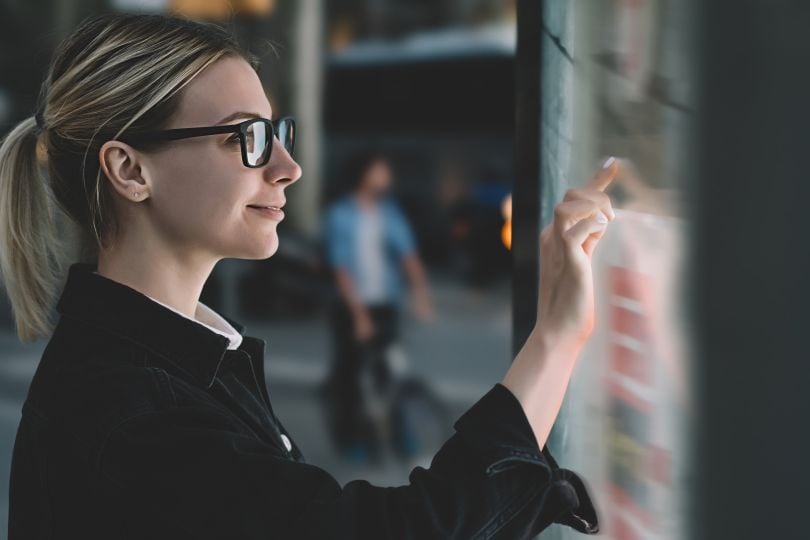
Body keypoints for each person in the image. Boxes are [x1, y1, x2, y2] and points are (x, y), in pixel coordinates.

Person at [0, 13, 616, 539]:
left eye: (279, 133)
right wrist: (557, 337)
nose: (288, 166)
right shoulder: (135, 418)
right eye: (248, 137)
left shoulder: (164, 369)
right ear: (130, 170)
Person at [323, 151, 435, 462]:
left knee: (392, 372)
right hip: (350, 308)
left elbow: (408, 255)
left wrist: (420, 293)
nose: (387, 178)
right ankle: (353, 440)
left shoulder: (388, 213)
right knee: (351, 375)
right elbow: (340, 267)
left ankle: (401, 436)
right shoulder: (341, 214)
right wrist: (358, 315)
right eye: (381, 171)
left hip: (385, 304)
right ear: (364, 173)